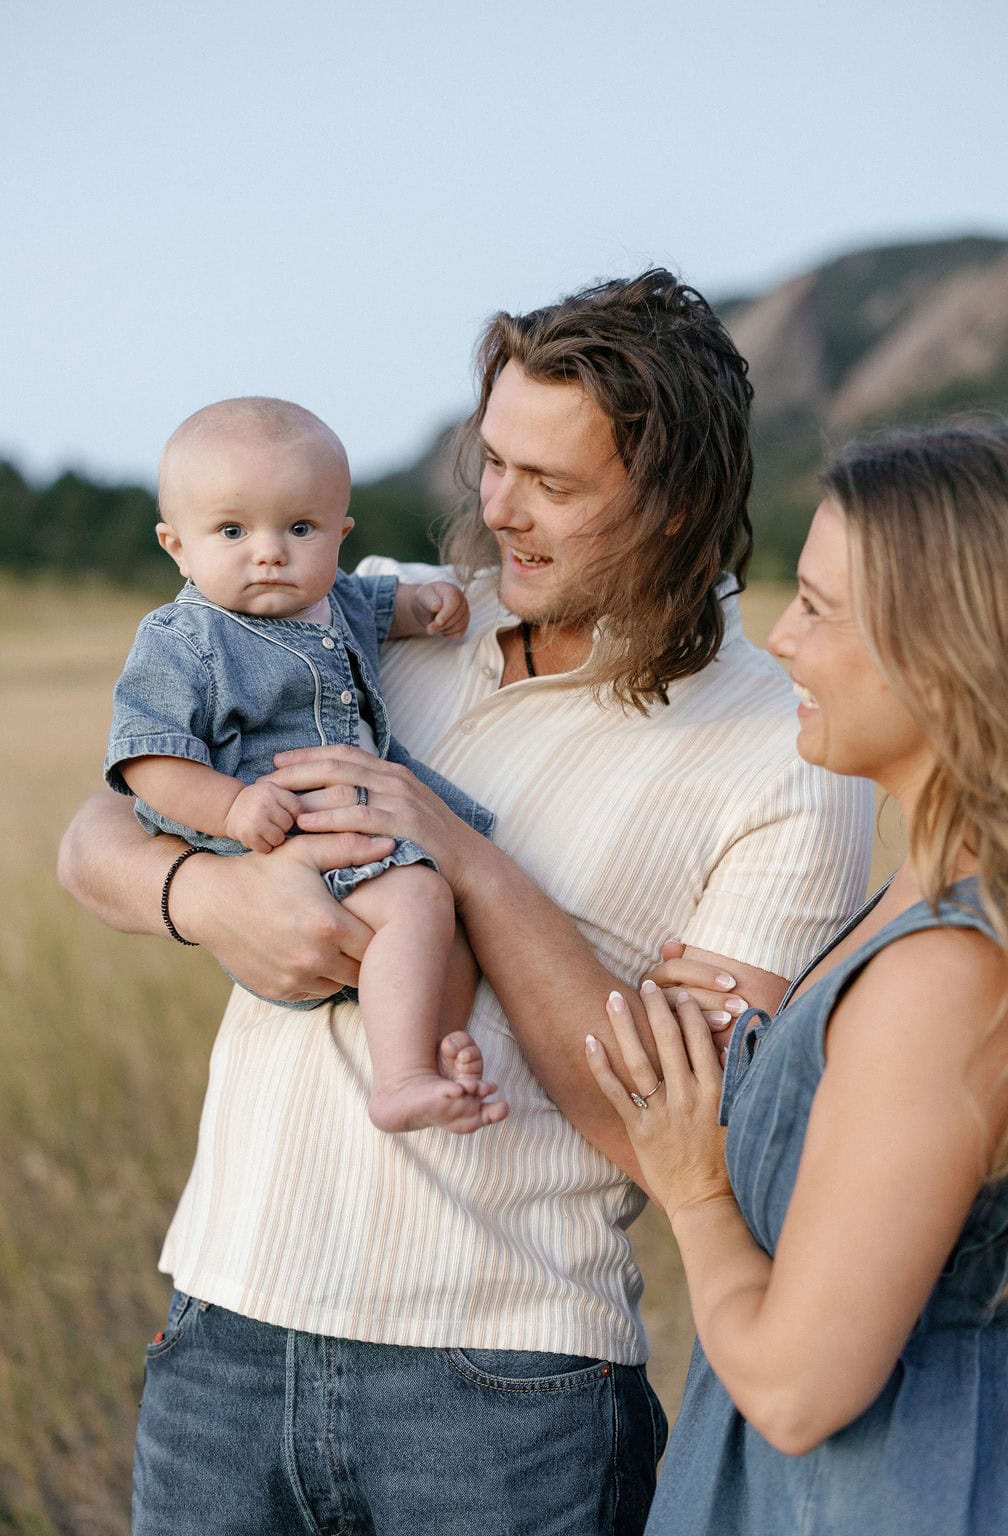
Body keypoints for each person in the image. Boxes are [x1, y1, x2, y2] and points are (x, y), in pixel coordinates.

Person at [59, 271, 873, 1536]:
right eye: (491, 461)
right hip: (220, 1335)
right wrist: (206, 896)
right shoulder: (370, 614)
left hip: (501, 1393)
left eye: (552, 486)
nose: (498, 512)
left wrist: (469, 862)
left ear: (674, 507)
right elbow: (93, 833)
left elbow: (683, 1140)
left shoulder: (788, 754)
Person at [587, 422, 1008, 1536]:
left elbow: (793, 1388)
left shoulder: (946, 975)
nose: (778, 638)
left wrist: (693, 1185)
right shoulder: (910, 906)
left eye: (818, 609)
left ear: (943, 646)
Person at [105, 396, 506, 1135]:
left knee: (448, 913)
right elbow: (148, 760)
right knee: (417, 905)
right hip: (285, 841)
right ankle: (402, 1078)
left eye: (299, 528)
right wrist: (230, 809)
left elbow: (385, 605)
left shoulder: (337, 598)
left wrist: (427, 604)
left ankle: (442, 1049)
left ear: (340, 534)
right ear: (176, 546)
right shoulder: (183, 638)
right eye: (232, 530)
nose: (270, 552)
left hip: (355, 816)